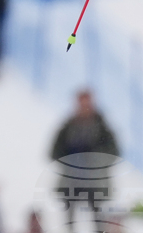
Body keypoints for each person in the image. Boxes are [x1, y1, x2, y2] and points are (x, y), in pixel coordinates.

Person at [49, 90, 120, 233]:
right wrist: (71, 158)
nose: (84, 106)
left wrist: (94, 156)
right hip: (72, 180)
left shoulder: (102, 127)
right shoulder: (69, 126)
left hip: (95, 181)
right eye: (82, 103)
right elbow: (54, 152)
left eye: (87, 102)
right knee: (70, 219)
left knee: (98, 217)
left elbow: (113, 152)